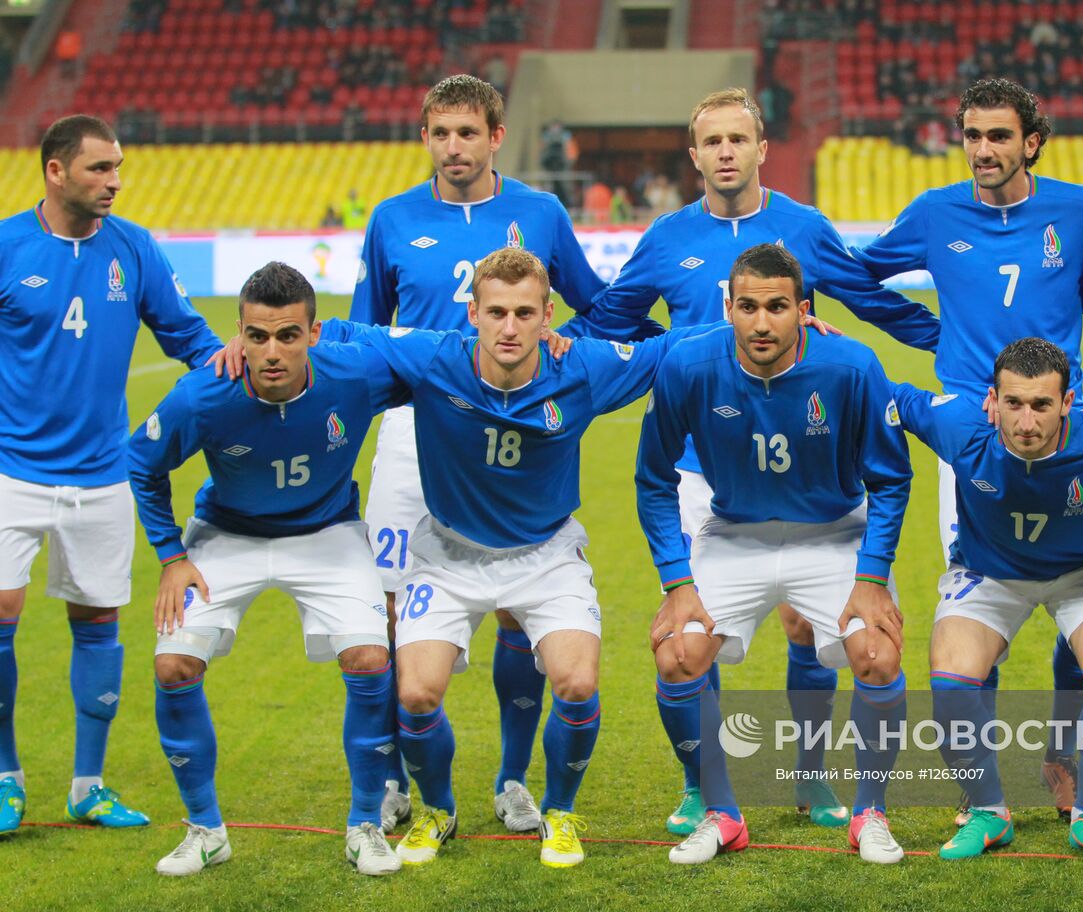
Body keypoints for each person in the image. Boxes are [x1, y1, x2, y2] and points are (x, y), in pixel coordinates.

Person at [561, 87, 941, 836]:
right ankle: (706, 789)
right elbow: (611, 320)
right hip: (704, 467)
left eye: (741, 138)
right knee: (690, 634)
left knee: (808, 627)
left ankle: (809, 778)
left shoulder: (802, 227)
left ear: (762, 148)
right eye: (714, 141)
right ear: (695, 154)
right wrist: (550, 347)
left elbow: (870, 299)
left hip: (801, 456)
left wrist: (956, 346)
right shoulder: (667, 238)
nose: (728, 152)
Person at [323, 247, 732, 869]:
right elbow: (350, 334)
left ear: (548, 316)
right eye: (495, 313)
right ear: (473, 314)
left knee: (577, 680)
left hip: (546, 553)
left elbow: (669, 348)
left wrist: (756, 324)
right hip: (449, 554)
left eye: (523, 313)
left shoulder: (583, 367)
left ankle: (559, 811)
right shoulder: (434, 357)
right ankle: (437, 810)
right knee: (415, 696)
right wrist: (271, 341)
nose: (509, 328)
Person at [851, 78, 1083, 818]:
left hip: (1054, 416)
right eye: (973, 135)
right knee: (983, 594)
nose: (983, 150)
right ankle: (985, 799)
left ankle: (1060, 756)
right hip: (970, 433)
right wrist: (930, 333)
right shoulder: (934, 212)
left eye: (1000, 136)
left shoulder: (1075, 209)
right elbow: (862, 277)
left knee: (1075, 575)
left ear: (1031, 141)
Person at [350, 74, 606, 836]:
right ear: (425, 136)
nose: (453, 147)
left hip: (515, 428)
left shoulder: (541, 212)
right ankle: (398, 777)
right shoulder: (392, 219)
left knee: (520, 610)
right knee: (392, 613)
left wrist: (566, 352)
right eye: (440, 132)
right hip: (414, 432)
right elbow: (365, 334)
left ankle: (513, 778)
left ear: (496, 136)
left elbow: (594, 308)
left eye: (468, 132)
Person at [637, 244, 913, 866]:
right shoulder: (688, 366)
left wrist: (872, 578)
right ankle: (721, 813)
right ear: (727, 309)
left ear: (803, 311)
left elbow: (891, 479)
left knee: (876, 652)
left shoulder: (851, 366)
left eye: (779, 307)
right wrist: (676, 580)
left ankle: (871, 812)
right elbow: (653, 479)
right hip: (736, 532)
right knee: (678, 655)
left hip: (834, 530)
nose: (763, 323)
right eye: (750, 307)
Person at [129, 263, 406, 876]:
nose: (271, 352)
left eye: (287, 335)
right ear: (239, 335)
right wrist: (173, 557)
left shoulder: (356, 372)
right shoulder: (205, 394)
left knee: (370, 658)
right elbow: (142, 464)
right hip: (228, 535)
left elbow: (441, 367)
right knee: (173, 663)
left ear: (314, 334)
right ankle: (205, 829)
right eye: (257, 337)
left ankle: (366, 824)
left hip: (328, 534)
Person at [0, 114, 223, 836]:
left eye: (118, 167)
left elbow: (188, 334)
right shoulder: (7, 245)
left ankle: (87, 787)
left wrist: (245, 378)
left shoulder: (133, 248)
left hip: (101, 476)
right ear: (56, 171)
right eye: (99, 169)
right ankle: (5, 779)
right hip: (12, 470)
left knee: (98, 623)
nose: (114, 182)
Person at [895, 338, 1083, 862]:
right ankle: (990, 812)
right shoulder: (959, 428)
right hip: (991, 574)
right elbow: (883, 393)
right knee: (951, 681)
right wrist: (816, 347)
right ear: (992, 400)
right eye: (1013, 404)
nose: (1025, 421)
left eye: (1041, 405)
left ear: (1067, 403)